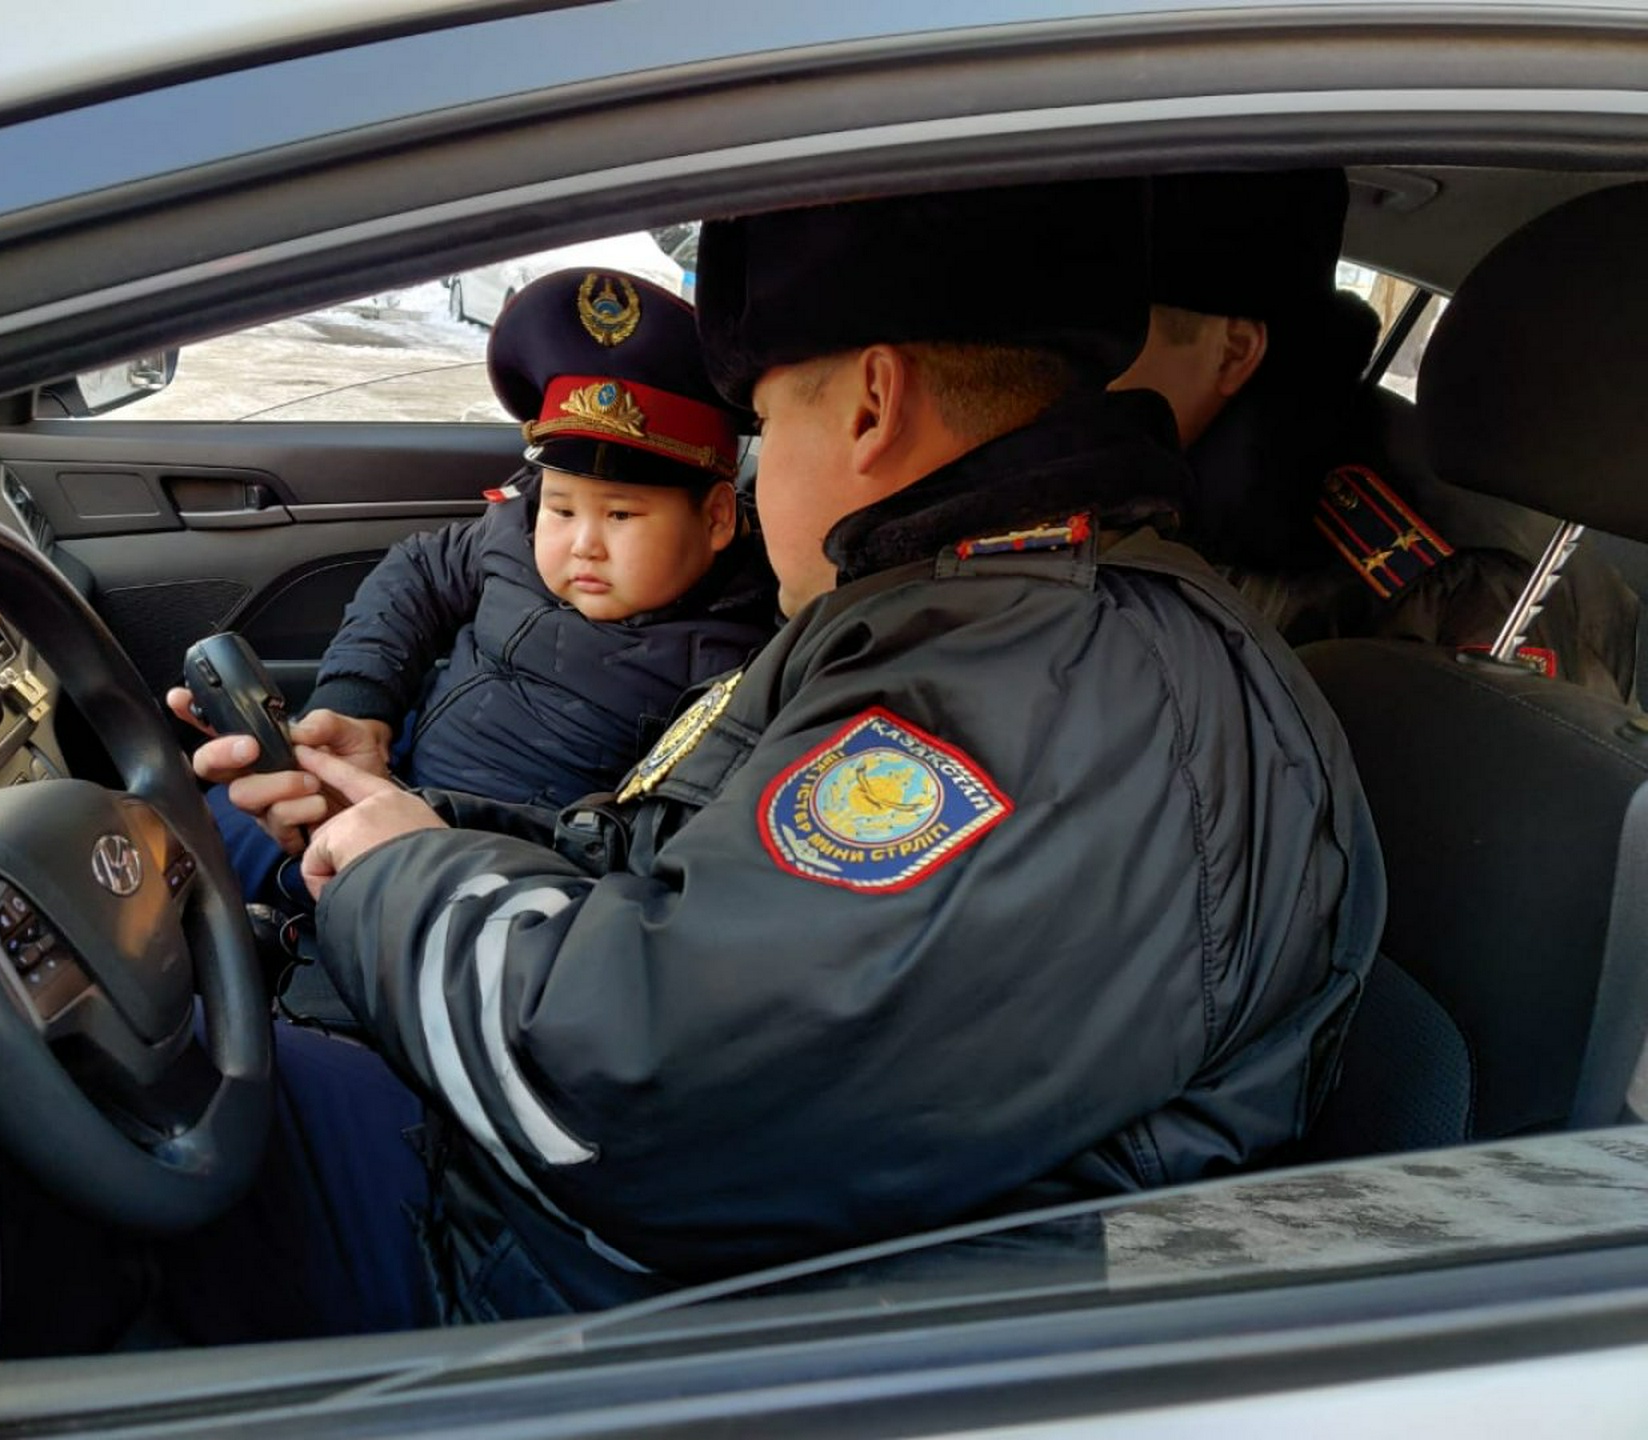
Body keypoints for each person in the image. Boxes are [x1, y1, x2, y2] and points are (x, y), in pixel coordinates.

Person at [176, 179, 1383, 1335]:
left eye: (762, 427)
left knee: (130, 1137)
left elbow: (629, 1090)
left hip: (642, 1320)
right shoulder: (961, 620)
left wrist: (399, 882)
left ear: (869, 403)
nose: (751, 485)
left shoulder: (1030, 694)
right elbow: (677, 868)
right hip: (595, 1233)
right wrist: (412, 819)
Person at [168, 267, 779, 908]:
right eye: (563, 508)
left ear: (714, 517)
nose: (582, 543)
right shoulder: (512, 534)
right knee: (184, 848)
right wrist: (359, 705)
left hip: (487, 871)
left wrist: (416, 825)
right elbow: (416, 575)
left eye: (622, 515)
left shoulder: (741, 660)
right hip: (386, 774)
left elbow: (644, 845)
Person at [1111, 168, 1639, 701]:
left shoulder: (1460, 587)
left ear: (1234, 351)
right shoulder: (1173, 484)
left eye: (1112, 337)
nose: (1074, 370)